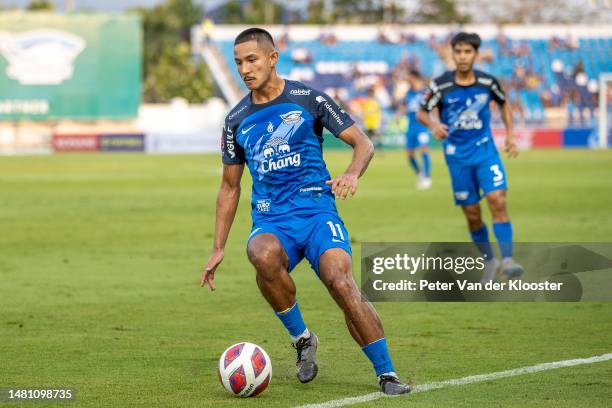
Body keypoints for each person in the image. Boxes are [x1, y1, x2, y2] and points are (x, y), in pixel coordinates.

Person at [200, 28, 410, 395]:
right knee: (260, 254)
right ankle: (302, 340)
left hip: (316, 214)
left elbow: (362, 143)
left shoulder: (308, 98)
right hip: (272, 220)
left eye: (251, 59)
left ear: (272, 57)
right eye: (237, 62)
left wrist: (351, 173)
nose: (244, 69)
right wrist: (218, 247)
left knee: (340, 283)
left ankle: (387, 373)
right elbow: (229, 187)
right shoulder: (235, 120)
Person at [416, 32, 524, 283]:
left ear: (475, 54)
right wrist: (433, 125)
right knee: (473, 214)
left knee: (497, 199)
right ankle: (490, 260)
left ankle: (508, 260)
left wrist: (510, 135)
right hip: (457, 158)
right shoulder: (440, 84)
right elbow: (422, 112)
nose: (463, 57)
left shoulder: (488, 82)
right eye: (458, 52)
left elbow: (504, 103)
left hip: (486, 152)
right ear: (452, 54)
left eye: (468, 52)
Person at [398, 69, 432, 189]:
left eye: (408, 76)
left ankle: (427, 177)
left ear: (413, 77)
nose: (406, 78)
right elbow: (405, 107)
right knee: (410, 155)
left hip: (422, 126)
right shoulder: (409, 93)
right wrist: (399, 115)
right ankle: (420, 174)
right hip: (411, 126)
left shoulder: (425, 92)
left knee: (424, 150)